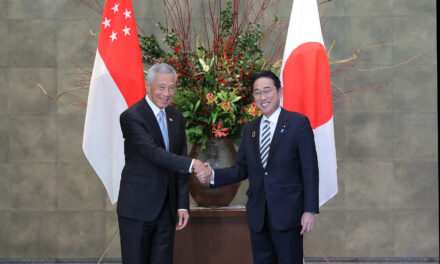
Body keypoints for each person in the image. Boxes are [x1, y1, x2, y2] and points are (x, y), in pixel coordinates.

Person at [199, 70, 319, 264]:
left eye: (267, 91)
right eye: (257, 92)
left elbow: (310, 170)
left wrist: (309, 210)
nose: (263, 97)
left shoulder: (298, 124)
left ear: (280, 92)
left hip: (288, 214)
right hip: (258, 215)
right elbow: (242, 168)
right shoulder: (250, 129)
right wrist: (213, 174)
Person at [117, 63, 211, 264]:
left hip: (166, 210)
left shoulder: (175, 117)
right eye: (161, 87)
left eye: (171, 87)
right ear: (148, 85)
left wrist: (182, 205)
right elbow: (154, 153)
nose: (166, 93)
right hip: (137, 208)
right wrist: (194, 163)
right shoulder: (131, 117)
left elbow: (179, 163)